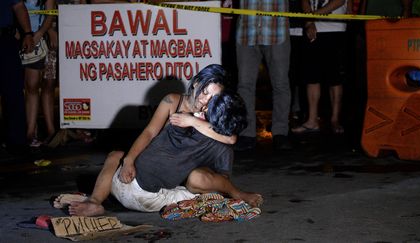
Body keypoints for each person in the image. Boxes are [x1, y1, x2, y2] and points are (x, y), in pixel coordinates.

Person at [55, 65, 263, 216]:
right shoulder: (173, 100)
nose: (204, 100)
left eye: (212, 98)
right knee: (116, 156)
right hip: (160, 172)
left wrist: (192, 120)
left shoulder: (209, 115)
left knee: (196, 177)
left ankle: (233, 193)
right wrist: (129, 160)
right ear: (197, 83)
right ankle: (94, 202)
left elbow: (231, 138)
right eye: (205, 92)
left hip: (182, 176)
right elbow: (149, 133)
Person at [229, 0, 292, 151]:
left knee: (281, 84)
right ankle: (247, 134)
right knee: (244, 86)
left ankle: (281, 133)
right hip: (247, 31)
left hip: (277, 31)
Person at [291, 0, 348, 135]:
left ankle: (335, 119)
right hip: (313, 27)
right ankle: (312, 120)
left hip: (335, 28)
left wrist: (312, 16)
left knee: (335, 77)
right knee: (312, 76)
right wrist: (310, 22)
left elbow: (339, 1)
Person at [1, 0, 34, 154]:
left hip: (5, 40)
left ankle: (17, 141)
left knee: (13, 91)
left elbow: (18, 5)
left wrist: (28, 33)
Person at [23, 0, 55, 147]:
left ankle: (51, 131)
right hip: (29, 43)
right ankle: (31, 133)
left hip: (47, 43)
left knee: (49, 84)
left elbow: (50, 14)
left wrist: (41, 33)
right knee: (32, 86)